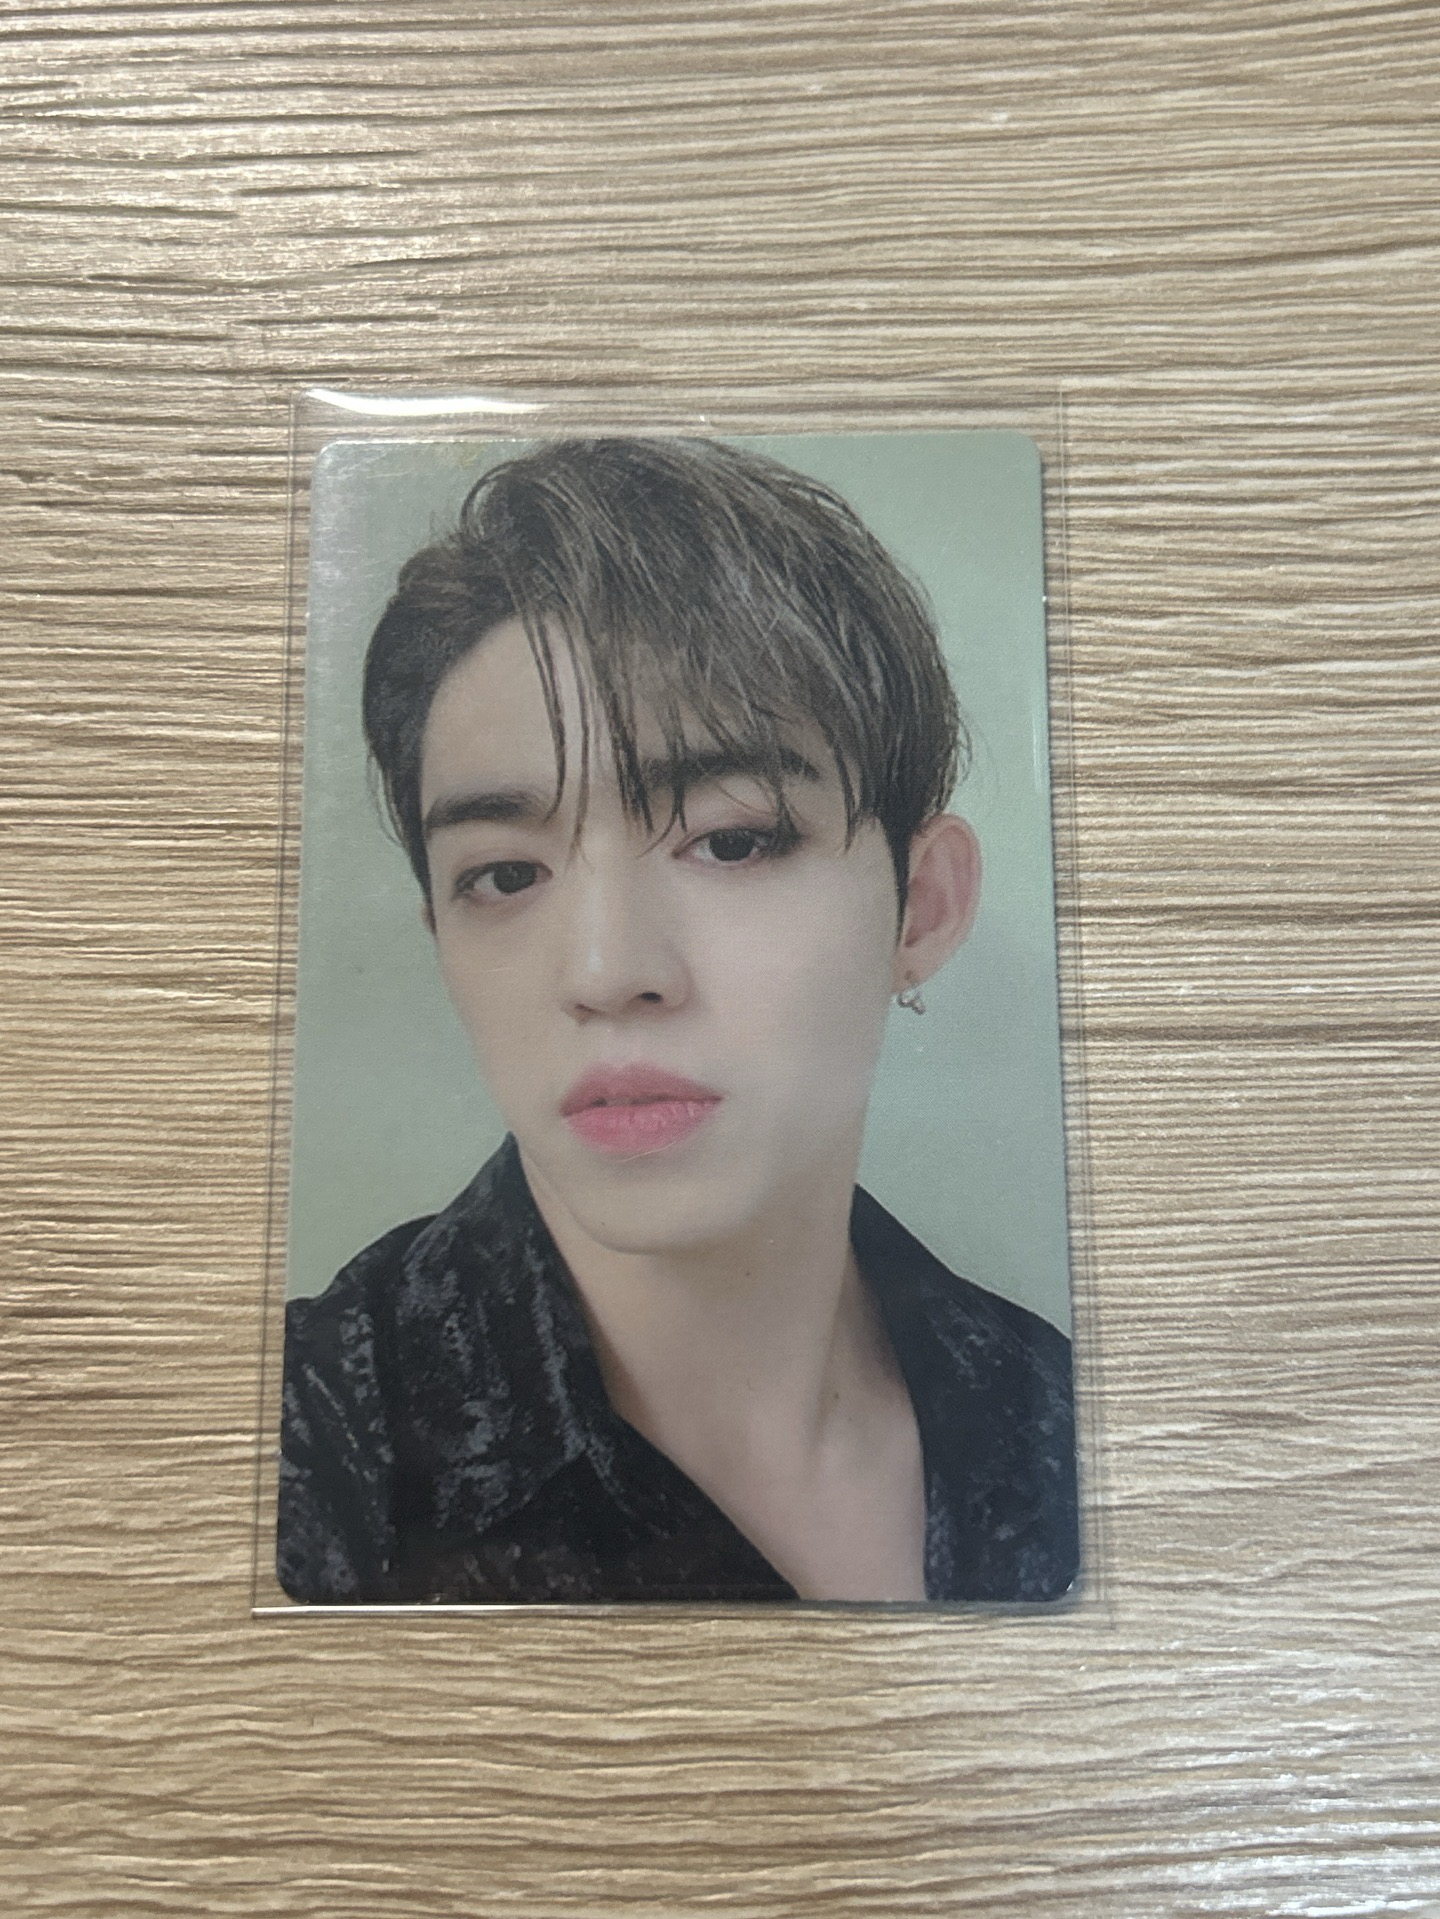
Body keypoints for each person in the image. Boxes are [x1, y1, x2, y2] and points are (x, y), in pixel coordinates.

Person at [278, 435, 1077, 1605]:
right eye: (505, 873)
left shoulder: (1058, 1418)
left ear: (924, 905)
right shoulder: (296, 1448)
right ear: (441, 933)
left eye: (733, 841)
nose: (607, 971)